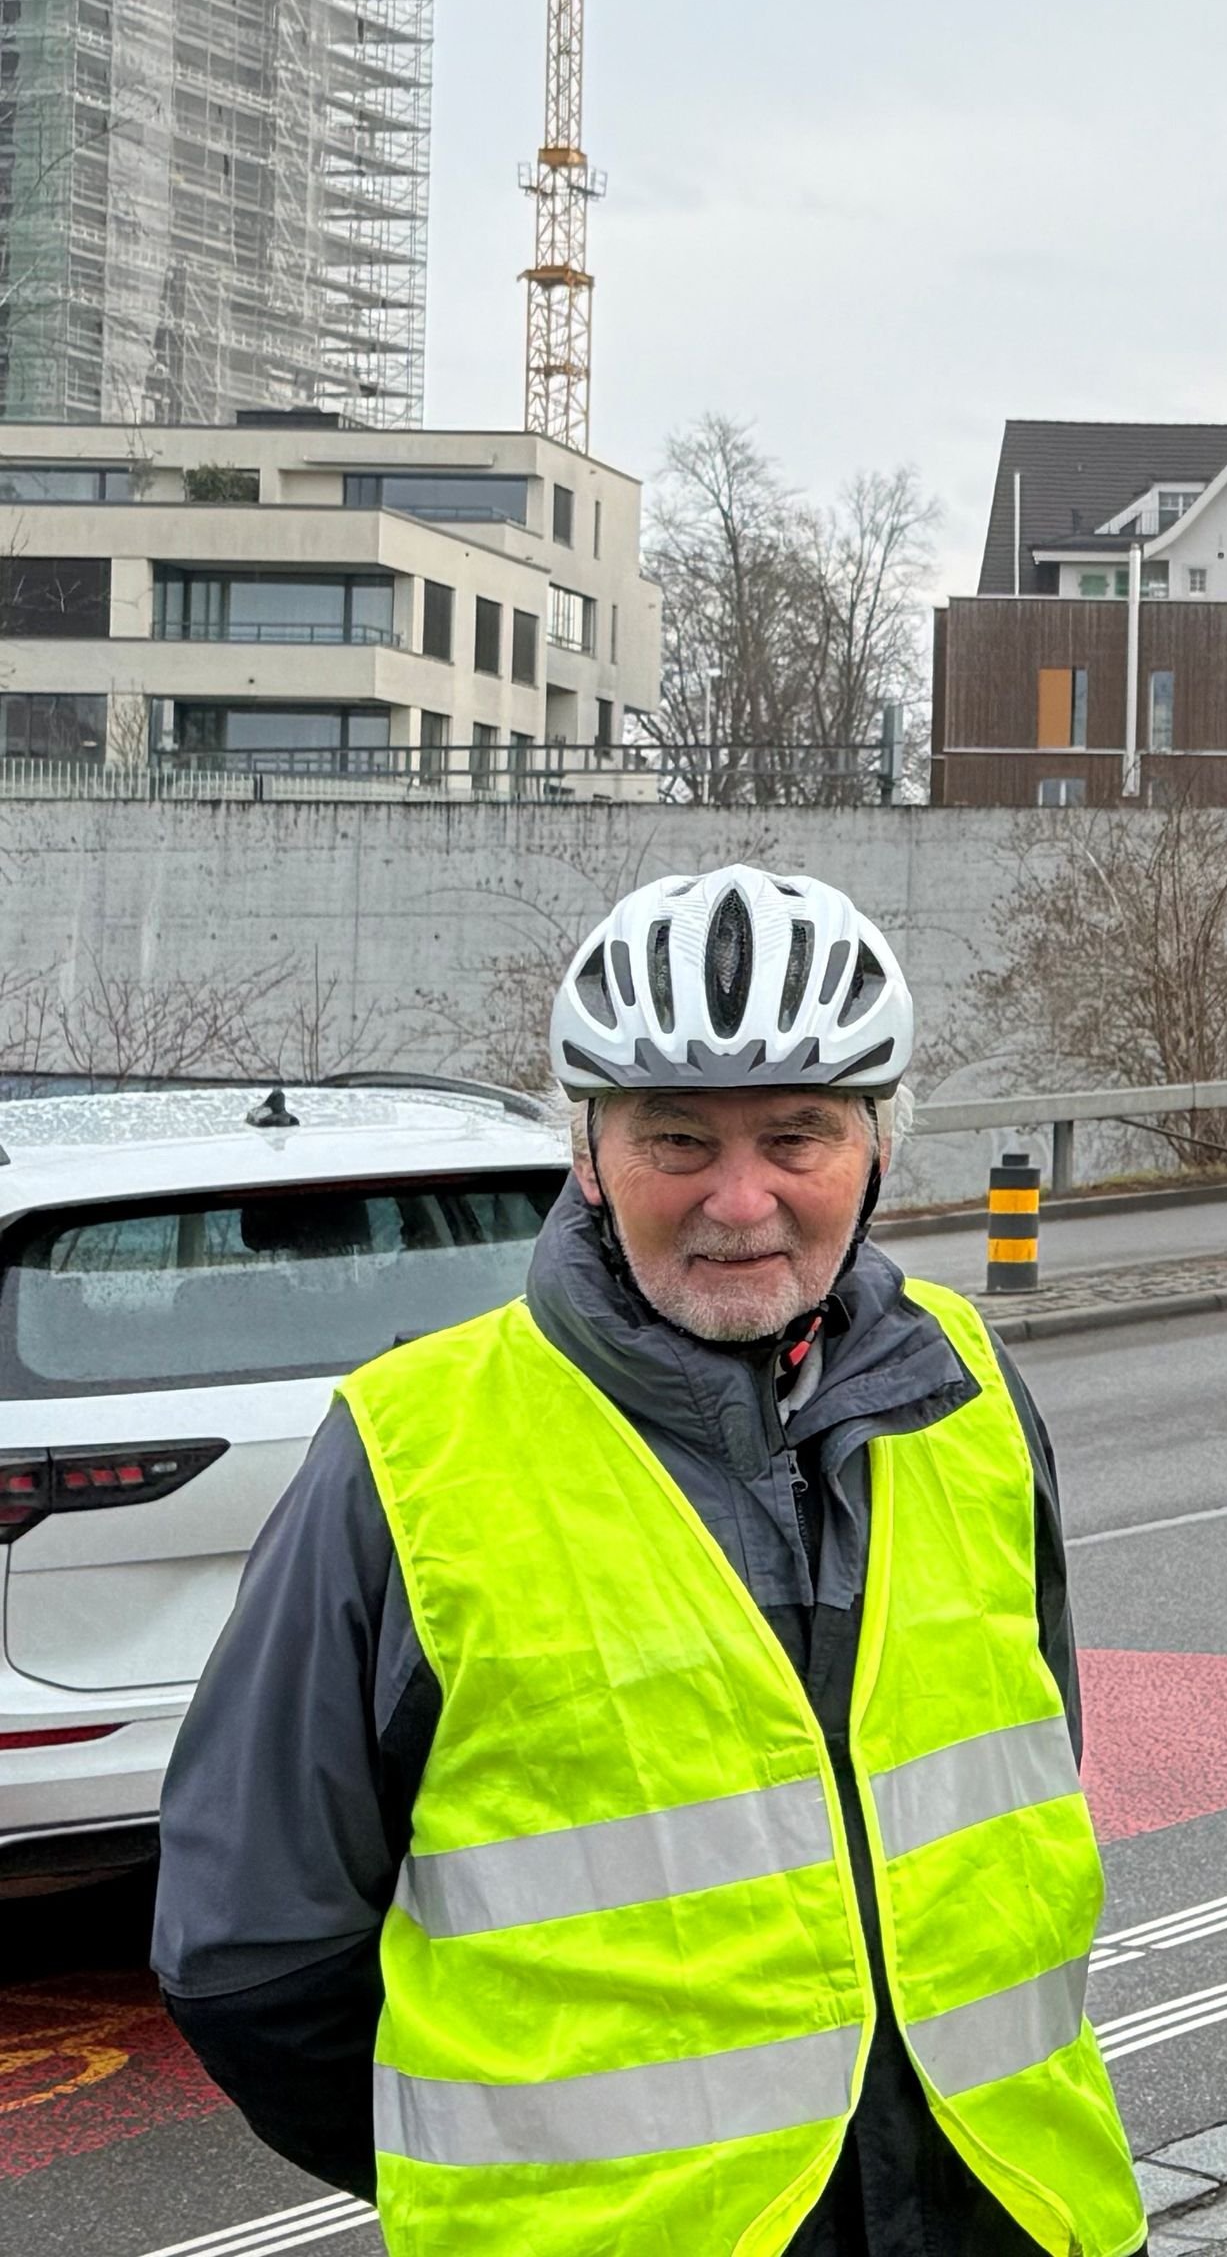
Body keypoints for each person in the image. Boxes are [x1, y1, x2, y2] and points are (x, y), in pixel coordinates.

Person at [155, 867, 1141, 2254]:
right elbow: (256, 1955)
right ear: (588, 1152)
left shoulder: (971, 1387)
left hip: (1012, 2211)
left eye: (798, 1136)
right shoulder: (408, 1452)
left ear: (878, 1147)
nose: (740, 1202)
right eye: (677, 1140)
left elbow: (1027, 1789)